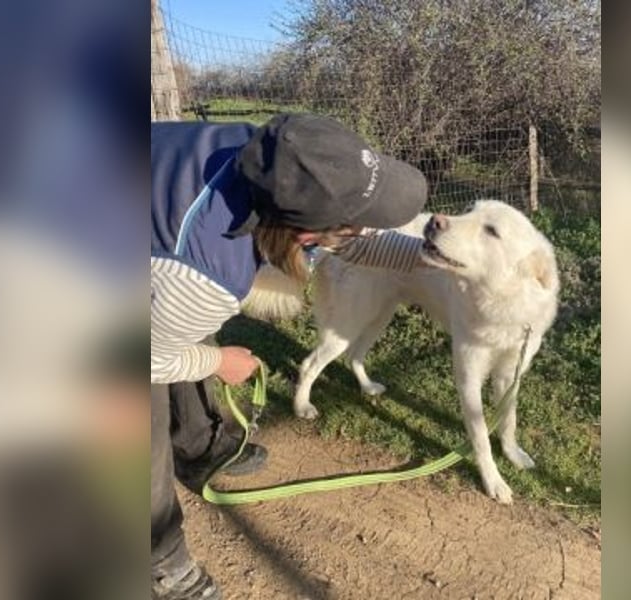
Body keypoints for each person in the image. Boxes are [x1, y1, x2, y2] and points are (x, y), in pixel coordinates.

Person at [151, 113, 428, 600]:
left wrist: (436, 258)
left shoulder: (281, 157)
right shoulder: (203, 273)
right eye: (356, 223)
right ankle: (158, 559)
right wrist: (218, 364)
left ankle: (200, 448)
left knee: (185, 329)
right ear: (306, 233)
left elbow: (352, 244)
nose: (364, 230)